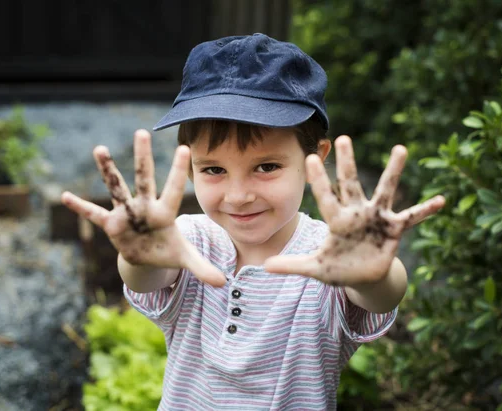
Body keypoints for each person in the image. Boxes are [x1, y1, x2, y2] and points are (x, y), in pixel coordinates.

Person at [61, 33, 445, 410]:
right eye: (214, 168)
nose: (239, 194)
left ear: (316, 157)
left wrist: (372, 274)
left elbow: (380, 294)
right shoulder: (188, 241)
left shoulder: (330, 257)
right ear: (189, 164)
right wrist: (138, 256)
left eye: (266, 166)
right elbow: (145, 277)